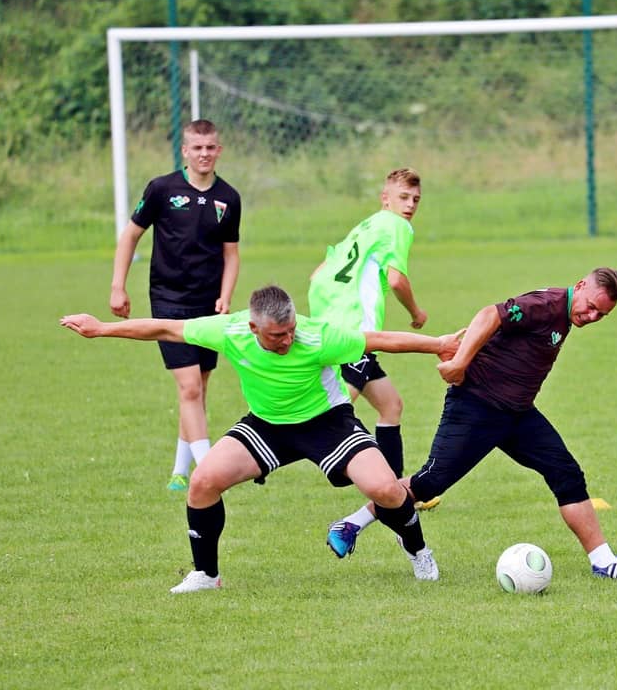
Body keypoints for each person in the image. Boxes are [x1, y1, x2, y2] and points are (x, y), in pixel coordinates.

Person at [61, 284, 462, 593]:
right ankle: (206, 574)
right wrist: (101, 329)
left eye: (290, 331)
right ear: (253, 328)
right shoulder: (231, 331)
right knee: (202, 482)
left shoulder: (316, 336)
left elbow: (380, 340)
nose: (287, 340)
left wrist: (440, 345)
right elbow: (166, 328)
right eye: (276, 335)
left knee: (386, 489)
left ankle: (417, 551)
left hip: (327, 423)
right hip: (266, 426)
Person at [326, 268, 617, 580]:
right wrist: (459, 362)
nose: (592, 316)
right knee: (430, 483)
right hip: (476, 406)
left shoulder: (565, 313)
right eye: (591, 307)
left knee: (566, 473)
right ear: (581, 286)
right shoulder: (546, 305)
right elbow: (489, 314)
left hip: (517, 414)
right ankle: (351, 524)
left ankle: (604, 562)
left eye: (601, 315)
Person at [308, 167, 440, 556]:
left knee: (390, 405)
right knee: (329, 415)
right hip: (355, 332)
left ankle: (395, 490)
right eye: (403, 198)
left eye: (415, 200)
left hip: (334, 323)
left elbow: (318, 273)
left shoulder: (365, 226)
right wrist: (416, 312)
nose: (410, 205)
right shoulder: (397, 227)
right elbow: (396, 280)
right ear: (386, 198)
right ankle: (386, 498)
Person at [110, 118, 241, 492]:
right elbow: (130, 236)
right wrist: (118, 286)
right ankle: (209, 470)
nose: (204, 154)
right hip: (168, 300)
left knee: (198, 388)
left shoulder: (229, 198)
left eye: (210, 147)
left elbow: (231, 254)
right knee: (189, 388)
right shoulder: (162, 189)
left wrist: (226, 295)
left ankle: (179, 472)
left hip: (207, 303)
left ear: (219, 150)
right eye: (197, 148)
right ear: (185, 151)